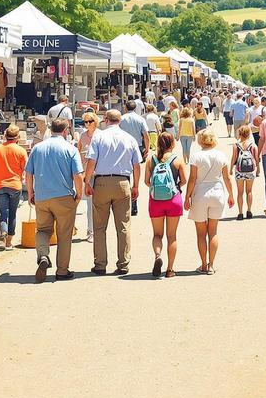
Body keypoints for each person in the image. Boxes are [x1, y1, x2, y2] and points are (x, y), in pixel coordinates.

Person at [83, 109, 143, 276]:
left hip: (101, 182)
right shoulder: (129, 138)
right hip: (123, 182)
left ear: (106, 120)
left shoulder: (99, 137)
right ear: (120, 121)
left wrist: (87, 181)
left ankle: (100, 264)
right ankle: (123, 263)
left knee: (100, 226)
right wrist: (136, 185)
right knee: (123, 226)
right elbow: (137, 165)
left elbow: (91, 161)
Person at [25, 118, 84, 283]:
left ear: (51, 130)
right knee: (64, 234)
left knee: (43, 230)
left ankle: (43, 255)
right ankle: (62, 271)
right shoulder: (70, 149)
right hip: (64, 197)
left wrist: (30, 192)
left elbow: (28, 173)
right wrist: (79, 194)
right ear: (65, 131)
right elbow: (78, 175)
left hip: (42, 197)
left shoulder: (38, 148)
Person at [184, 130, 234, 274]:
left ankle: (203, 264)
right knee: (213, 232)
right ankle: (211, 265)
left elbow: (192, 179)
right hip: (217, 193)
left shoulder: (196, 156)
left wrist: (187, 197)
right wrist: (231, 194)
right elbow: (226, 178)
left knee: (201, 233)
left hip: (200, 194)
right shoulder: (221, 155)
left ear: (200, 140)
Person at [145, 132, 186, 278]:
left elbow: (147, 181)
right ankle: (170, 269)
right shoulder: (178, 160)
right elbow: (184, 180)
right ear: (172, 143)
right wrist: (175, 187)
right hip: (173, 200)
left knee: (157, 234)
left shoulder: (152, 160)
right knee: (172, 236)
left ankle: (157, 255)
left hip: (155, 200)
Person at [0, 124, 28, 250]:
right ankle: (9, 242)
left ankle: (2, 235)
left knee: (3, 212)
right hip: (15, 185)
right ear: (17, 137)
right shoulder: (21, 151)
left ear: (5, 136)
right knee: (13, 213)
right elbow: (25, 169)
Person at [229, 124, 259, 219]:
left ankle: (240, 213)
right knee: (249, 191)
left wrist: (230, 169)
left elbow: (234, 158)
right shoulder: (253, 145)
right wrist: (258, 169)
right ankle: (249, 211)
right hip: (250, 170)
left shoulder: (236, 145)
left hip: (239, 170)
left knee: (240, 192)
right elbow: (256, 158)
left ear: (240, 134)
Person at [77, 111, 99, 242]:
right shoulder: (83, 135)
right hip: (87, 174)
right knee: (90, 204)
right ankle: (91, 231)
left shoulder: (100, 135)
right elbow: (78, 152)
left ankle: (98, 229)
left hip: (99, 173)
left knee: (99, 204)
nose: (87, 124)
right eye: (85, 122)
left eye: (90, 121)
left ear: (95, 122)